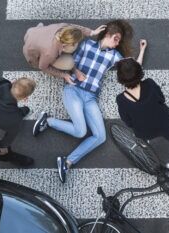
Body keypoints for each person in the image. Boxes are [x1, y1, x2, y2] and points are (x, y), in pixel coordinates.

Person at [33, 20, 134, 183]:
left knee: (100, 136)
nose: (117, 44)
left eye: (119, 41)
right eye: (116, 39)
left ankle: (66, 162)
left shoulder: (114, 56)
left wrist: (142, 50)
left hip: (91, 97)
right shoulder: (86, 44)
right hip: (74, 90)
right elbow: (69, 62)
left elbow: (132, 67)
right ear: (107, 34)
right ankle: (48, 121)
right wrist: (76, 71)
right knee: (80, 131)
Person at [116, 40, 169, 141]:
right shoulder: (150, 84)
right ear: (140, 73)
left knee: (143, 135)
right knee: (165, 129)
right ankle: (168, 136)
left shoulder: (121, 99)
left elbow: (128, 122)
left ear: (120, 79)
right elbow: (162, 99)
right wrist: (142, 50)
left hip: (144, 132)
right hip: (163, 120)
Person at [23, 22, 106, 84]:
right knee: (69, 63)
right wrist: (63, 75)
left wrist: (91, 32)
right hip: (32, 54)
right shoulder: (50, 53)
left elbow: (75, 28)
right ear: (64, 45)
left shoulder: (64, 28)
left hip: (33, 32)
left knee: (72, 48)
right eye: (73, 43)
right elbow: (43, 67)